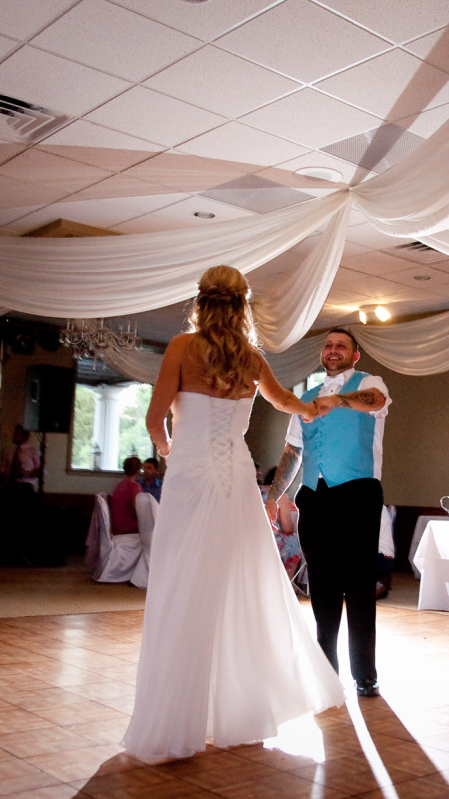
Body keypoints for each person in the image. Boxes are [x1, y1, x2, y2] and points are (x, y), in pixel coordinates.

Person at [122, 265, 344, 762]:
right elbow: (291, 404)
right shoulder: (252, 358)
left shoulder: (182, 348)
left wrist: (170, 451)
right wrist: (320, 407)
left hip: (191, 475)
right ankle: (238, 711)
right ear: (243, 307)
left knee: (182, 583)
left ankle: (175, 719)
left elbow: (155, 420)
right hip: (237, 479)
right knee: (238, 583)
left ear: (201, 303)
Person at [267, 328, 391, 698]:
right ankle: (325, 670)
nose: (333, 350)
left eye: (341, 345)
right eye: (328, 345)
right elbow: (292, 452)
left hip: (357, 494)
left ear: (354, 355)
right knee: (321, 587)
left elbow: (374, 400)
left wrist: (337, 401)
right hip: (314, 498)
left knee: (358, 587)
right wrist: (275, 496)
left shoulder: (368, 382)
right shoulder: (303, 398)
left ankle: (365, 674)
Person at [0, 424, 41, 492]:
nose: (14, 436)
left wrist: (27, 473)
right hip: (9, 486)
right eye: (14, 434)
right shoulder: (8, 452)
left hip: (25, 487)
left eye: (17, 434)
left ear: (25, 436)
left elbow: (41, 471)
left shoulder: (33, 451)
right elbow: (3, 469)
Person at [110, 455, 143, 535]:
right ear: (138, 471)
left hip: (116, 527)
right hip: (130, 529)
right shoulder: (135, 487)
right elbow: (139, 511)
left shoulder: (119, 485)